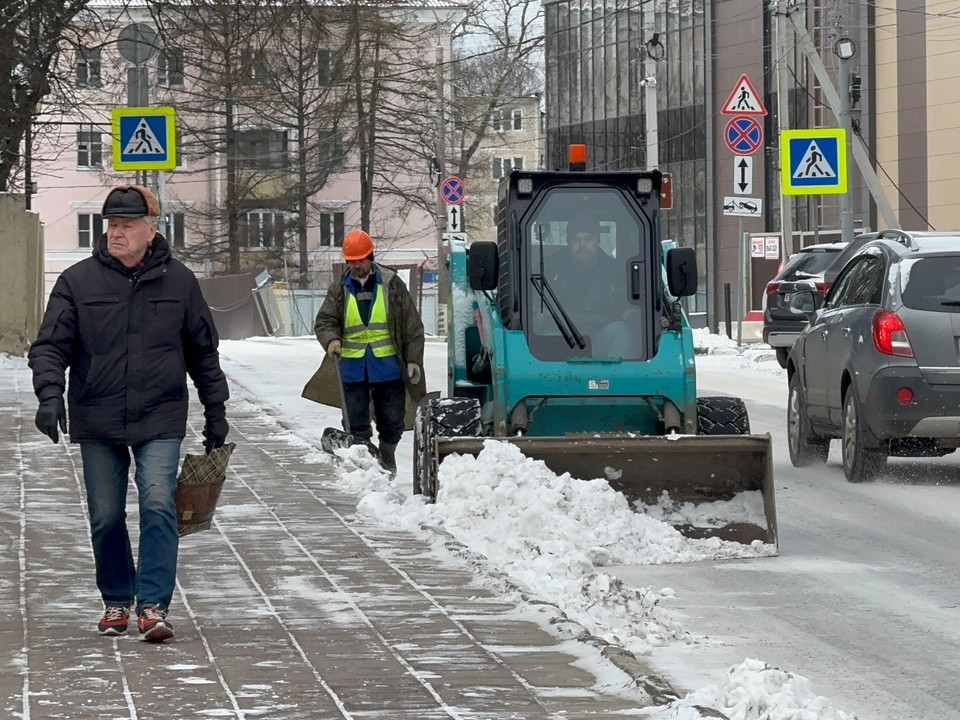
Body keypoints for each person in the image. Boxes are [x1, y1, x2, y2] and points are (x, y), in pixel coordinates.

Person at [27, 184, 229, 643]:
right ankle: (117, 599)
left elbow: (203, 352)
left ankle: (153, 605)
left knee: (159, 502)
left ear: (150, 230)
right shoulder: (77, 282)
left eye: (125, 226)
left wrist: (216, 410)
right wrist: (49, 395)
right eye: (111, 226)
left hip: (159, 414)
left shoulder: (179, 282)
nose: (115, 234)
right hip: (97, 415)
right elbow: (50, 346)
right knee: (106, 514)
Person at [314, 229, 426, 474]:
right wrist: (331, 340)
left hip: (388, 367)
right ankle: (365, 464)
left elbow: (412, 325)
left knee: (392, 419)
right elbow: (324, 321)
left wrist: (413, 360)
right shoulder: (339, 288)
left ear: (370, 257)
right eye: (351, 261)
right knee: (355, 422)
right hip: (353, 368)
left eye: (360, 260)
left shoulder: (392, 286)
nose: (356, 265)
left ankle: (387, 455)